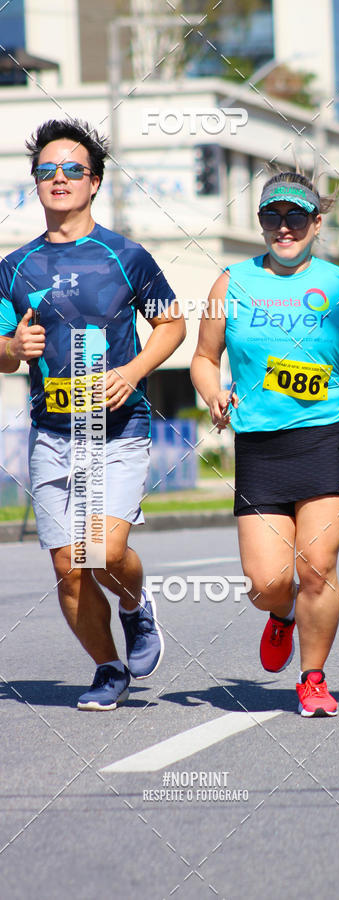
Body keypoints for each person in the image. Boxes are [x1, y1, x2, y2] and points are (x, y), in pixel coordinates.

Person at [0, 119, 185, 710]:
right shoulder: (14, 267)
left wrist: (132, 372)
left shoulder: (126, 256)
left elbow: (172, 324)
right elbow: (1, 352)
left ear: (95, 181)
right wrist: (12, 348)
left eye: (73, 169)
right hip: (52, 433)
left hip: (117, 429)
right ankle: (108, 669)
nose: (59, 178)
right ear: (35, 182)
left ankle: (135, 605)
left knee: (102, 551)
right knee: (69, 565)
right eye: (47, 170)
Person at [191, 171, 339, 716]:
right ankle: (281, 615)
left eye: (295, 216)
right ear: (260, 223)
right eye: (272, 216)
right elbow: (204, 358)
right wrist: (213, 394)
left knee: (316, 566)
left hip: (327, 434)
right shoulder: (230, 283)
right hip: (260, 443)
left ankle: (313, 678)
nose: (284, 227)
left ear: (316, 223)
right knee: (268, 583)